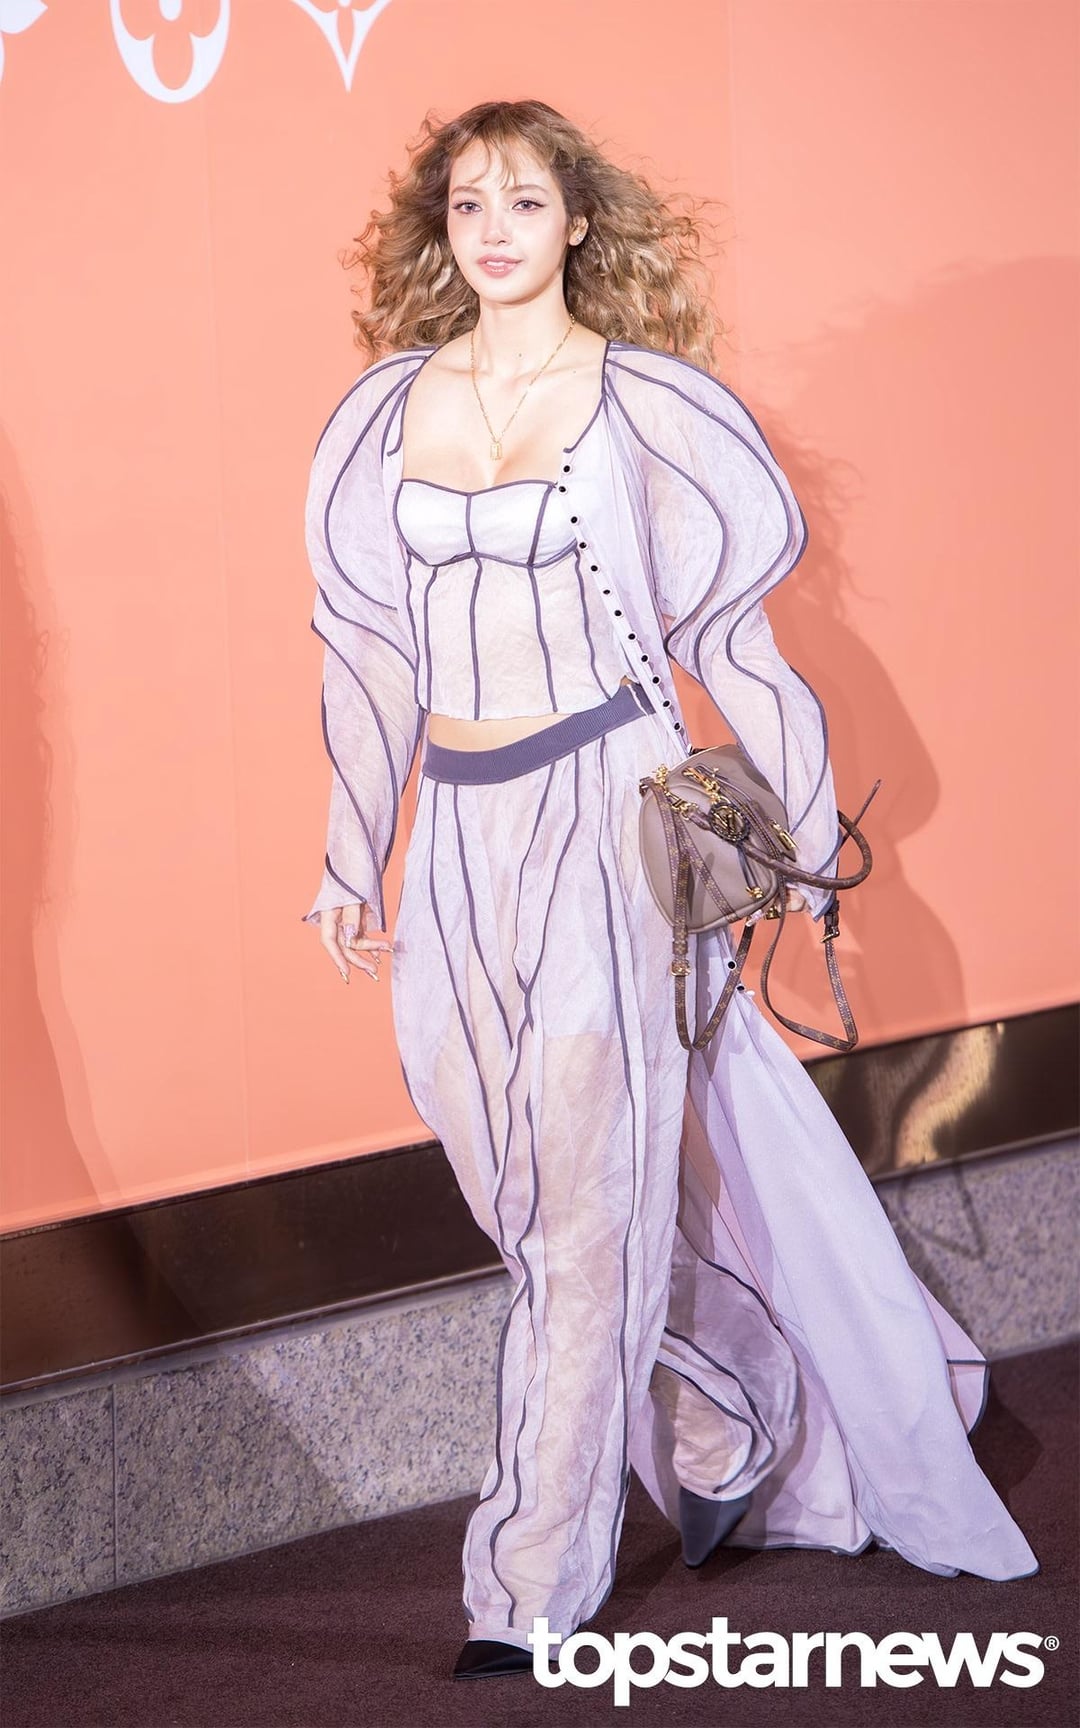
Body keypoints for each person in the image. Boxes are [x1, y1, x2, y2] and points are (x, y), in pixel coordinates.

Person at [300, 100, 1038, 1680]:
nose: (495, 229)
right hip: (459, 836)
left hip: (607, 813)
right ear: (441, 228)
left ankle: (528, 1583)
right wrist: (352, 849)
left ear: (579, 221)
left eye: (525, 200)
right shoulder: (380, 417)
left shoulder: (649, 410)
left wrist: (803, 844)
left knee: (584, 1205)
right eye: (469, 203)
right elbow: (362, 657)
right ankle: (724, 1394)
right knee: (522, 1194)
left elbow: (736, 650)